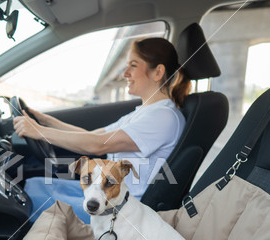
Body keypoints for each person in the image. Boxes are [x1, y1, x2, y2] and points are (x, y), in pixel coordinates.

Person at [13, 37, 191, 223]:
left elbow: (98, 145)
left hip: (122, 211)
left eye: (133, 65)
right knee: (33, 184)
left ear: (158, 72)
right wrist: (45, 121)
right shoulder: (144, 113)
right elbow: (93, 136)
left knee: (27, 199)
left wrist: (39, 132)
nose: (125, 73)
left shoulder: (162, 117)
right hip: (109, 195)